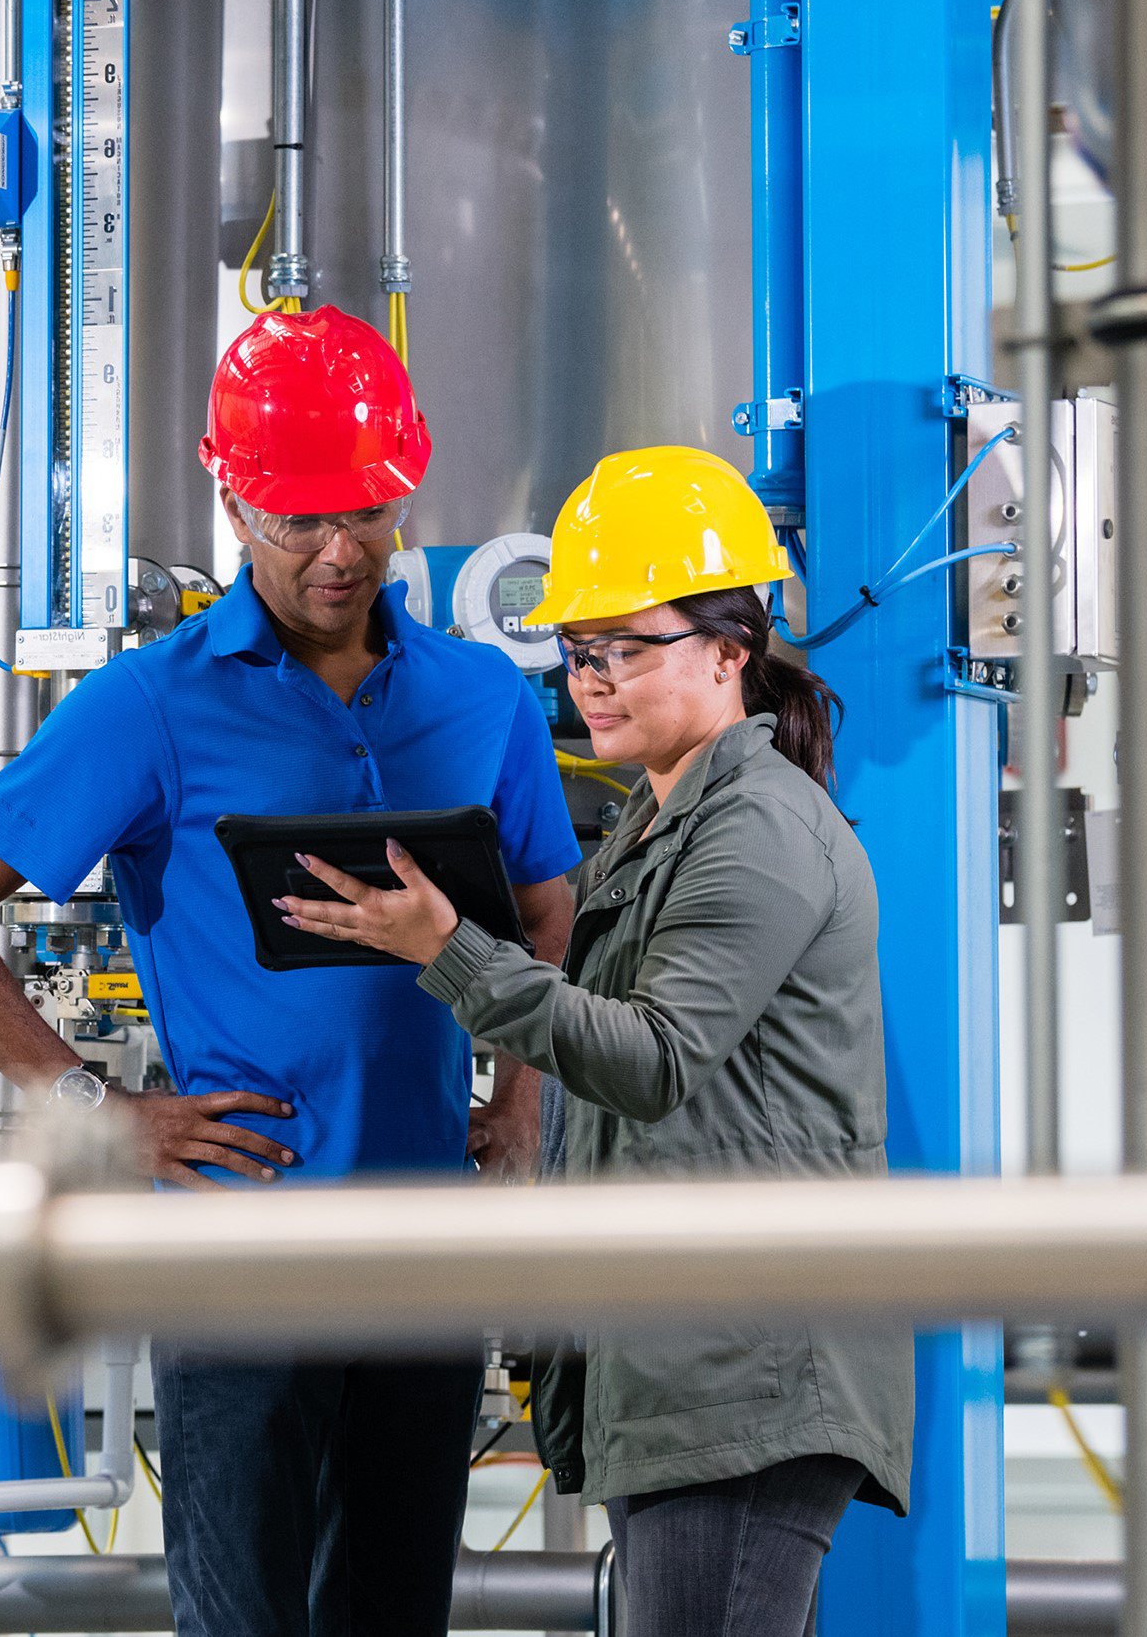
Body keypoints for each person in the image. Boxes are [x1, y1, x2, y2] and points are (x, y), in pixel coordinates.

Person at [0, 305, 581, 1637]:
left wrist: (523, 1105)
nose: (337, 553)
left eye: (368, 515)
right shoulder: (151, 704)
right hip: (235, 1248)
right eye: (296, 520)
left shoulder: (481, 700)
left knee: (392, 1619)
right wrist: (90, 1111)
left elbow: (549, 908)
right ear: (231, 499)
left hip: (424, 1240)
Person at [272, 444, 912, 1637]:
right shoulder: (656, 820)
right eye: (578, 653)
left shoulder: (760, 827)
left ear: (729, 651)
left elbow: (651, 1055)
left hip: (741, 1368)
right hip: (681, 1361)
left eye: (626, 647)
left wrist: (445, 949)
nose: (592, 682)